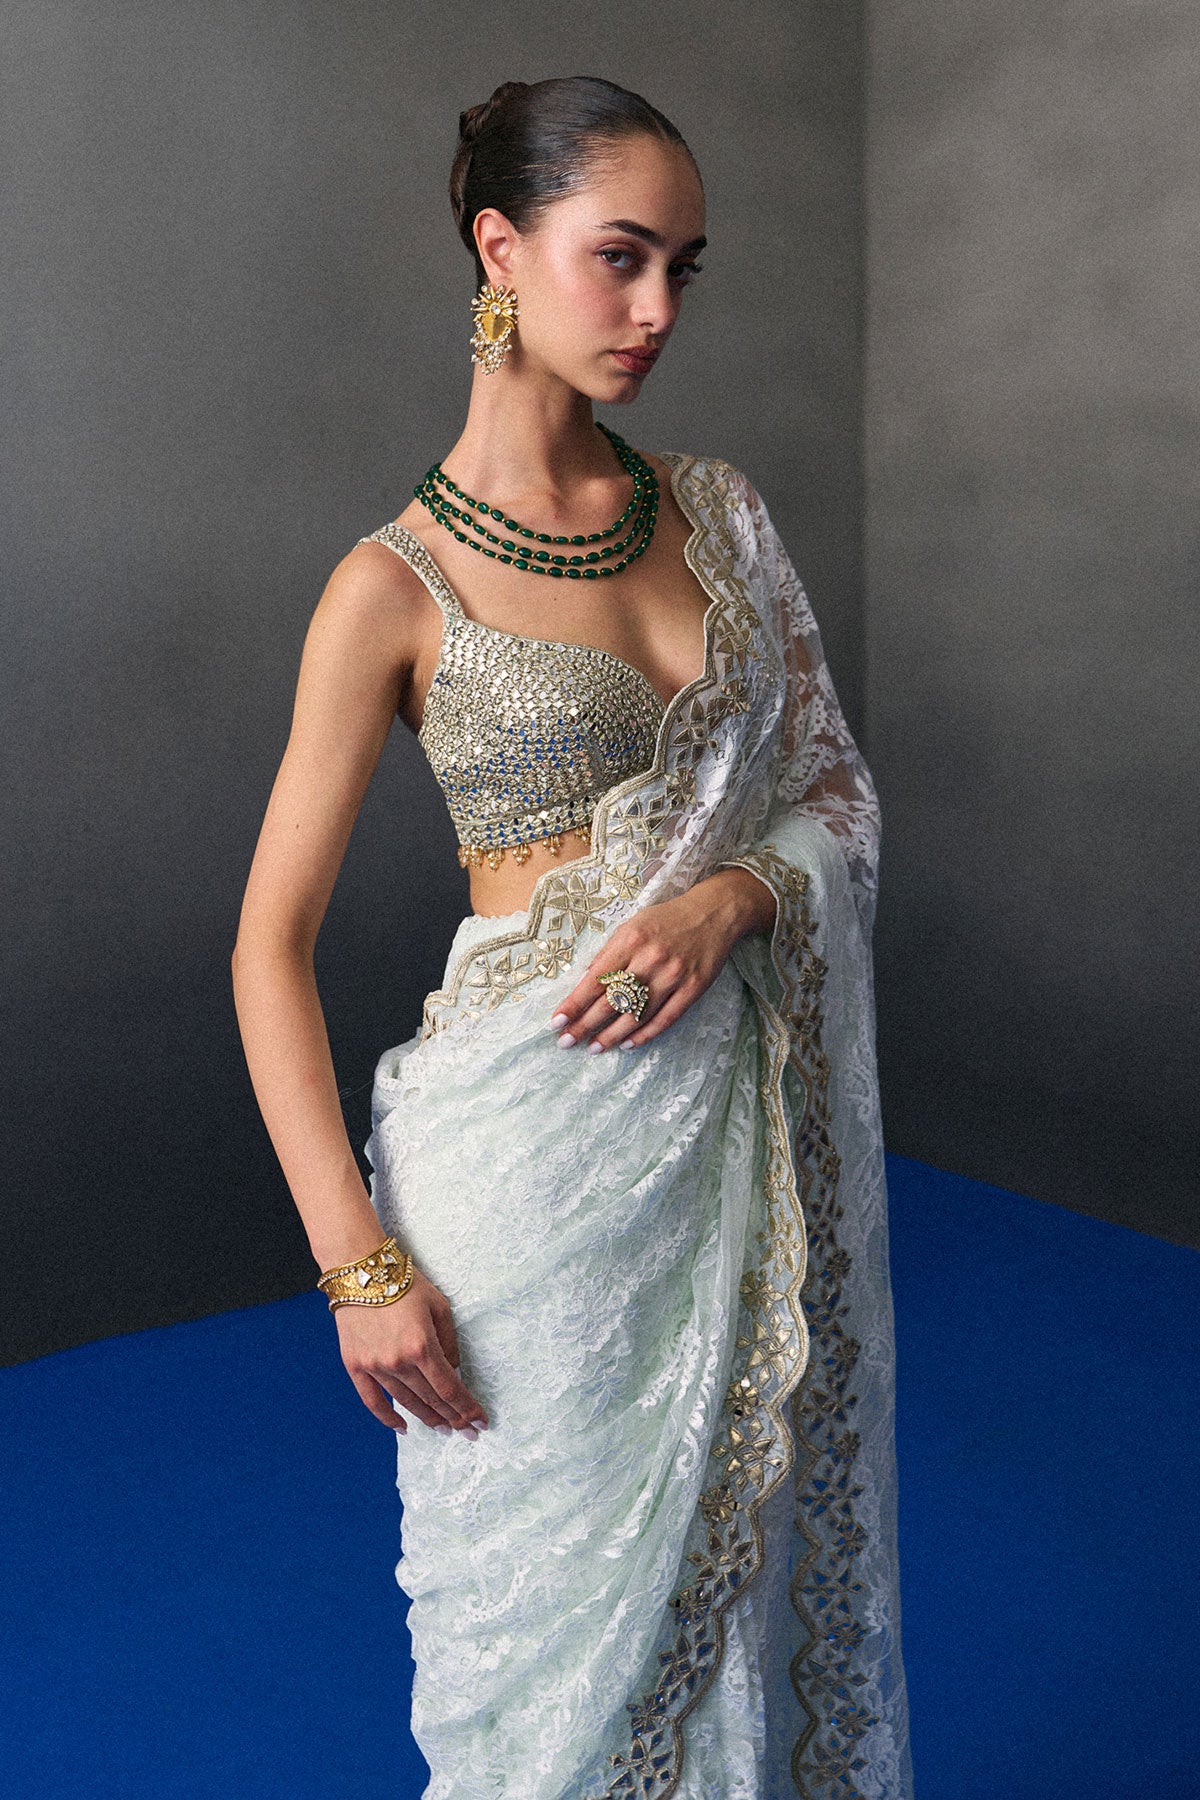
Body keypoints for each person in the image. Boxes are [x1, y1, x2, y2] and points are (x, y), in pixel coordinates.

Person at [231, 74, 915, 1800]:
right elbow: (266, 949)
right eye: (619, 256)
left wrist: (729, 896)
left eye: (685, 266)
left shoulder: (720, 513)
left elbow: (836, 793)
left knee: (722, 1588)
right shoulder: (390, 589)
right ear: (499, 249)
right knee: (533, 1647)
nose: (657, 307)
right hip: (523, 1180)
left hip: (719, 1151)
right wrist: (357, 1264)